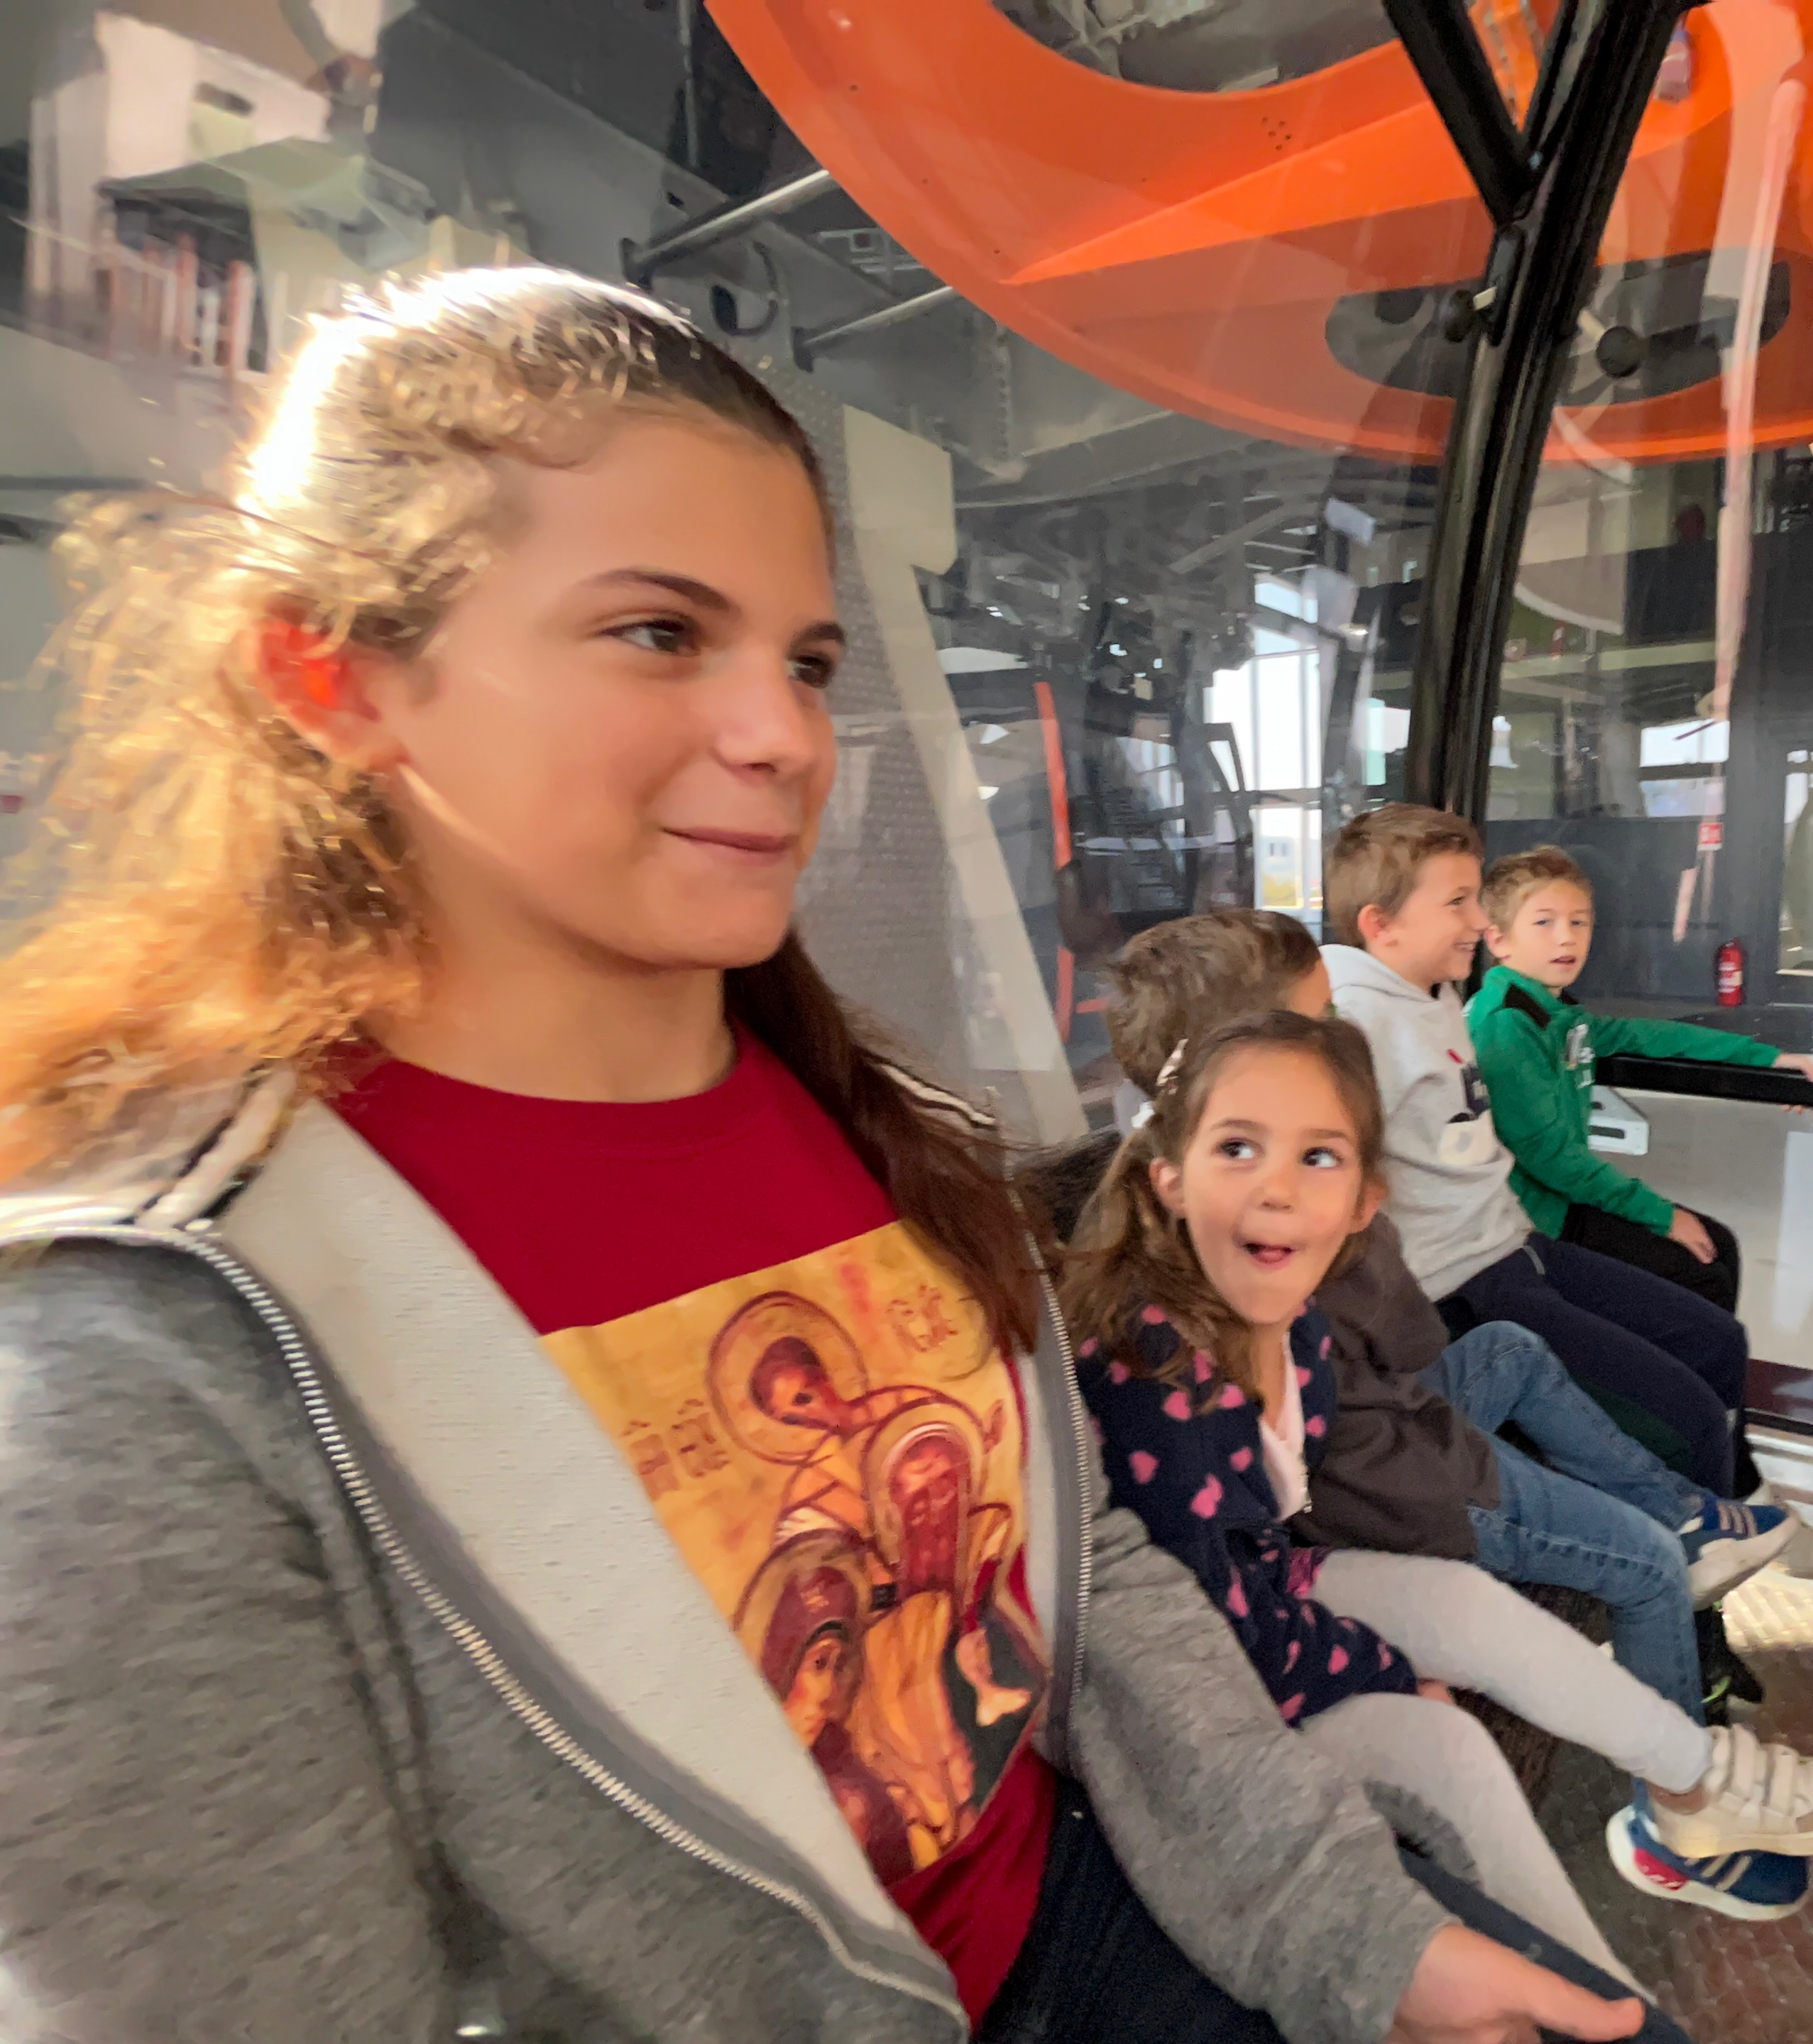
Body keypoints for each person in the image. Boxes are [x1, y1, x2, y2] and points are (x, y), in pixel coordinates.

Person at [0, 266, 1648, 2044]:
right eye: (658, 632)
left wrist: (1348, 1928)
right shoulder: (150, 1359)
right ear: (332, 675)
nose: (785, 733)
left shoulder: (874, 1129)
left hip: (1100, 1898)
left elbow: (1077, 1565)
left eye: (803, 659)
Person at [1066, 1011, 1813, 1933]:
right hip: (1220, 1627)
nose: (1279, 1192)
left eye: (1318, 1157)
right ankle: (1638, 1861)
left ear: (1365, 1199)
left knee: (1505, 1437)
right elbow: (1212, 1624)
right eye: (1239, 1149)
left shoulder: (1294, 1322)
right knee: (1528, 1667)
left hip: (1291, 1549)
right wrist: (1378, 1667)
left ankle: (1688, 1783)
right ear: (1169, 1177)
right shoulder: (1166, 1382)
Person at [1100, 908, 1812, 1742]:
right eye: (1323, 1020)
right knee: (1647, 1563)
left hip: (1363, 1427)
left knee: (1512, 1349)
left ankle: (1680, 1509)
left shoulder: (1182, 1199)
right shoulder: (1294, 1233)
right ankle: (1689, 1776)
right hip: (1385, 1477)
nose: (1346, 1037)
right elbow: (1407, 1342)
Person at [1319, 806, 1758, 1501]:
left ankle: (1728, 1506)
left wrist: (1763, 1058)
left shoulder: (1437, 995)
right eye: (1459, 902)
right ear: (1382, 924)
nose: (1478, 921)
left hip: (1513, 1245)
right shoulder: (1354, 1024)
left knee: (1717, 1342)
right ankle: (1700, 1543)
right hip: (1460, 1285)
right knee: (1690, 1420)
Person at [1468, 845, 1813, 1317]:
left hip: (1562, 1198)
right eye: (1544, 922)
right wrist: (1661, 1216)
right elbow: (1550, 1158)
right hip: (1535, 1217)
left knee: (1717, 1245)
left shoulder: (1555, 1013)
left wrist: (1763, 1058)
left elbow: (1648, 1035)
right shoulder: (1507, 1023)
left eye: (1579, 922)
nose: (1567, 938)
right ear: (1498, 940)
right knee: (1699, 1267)